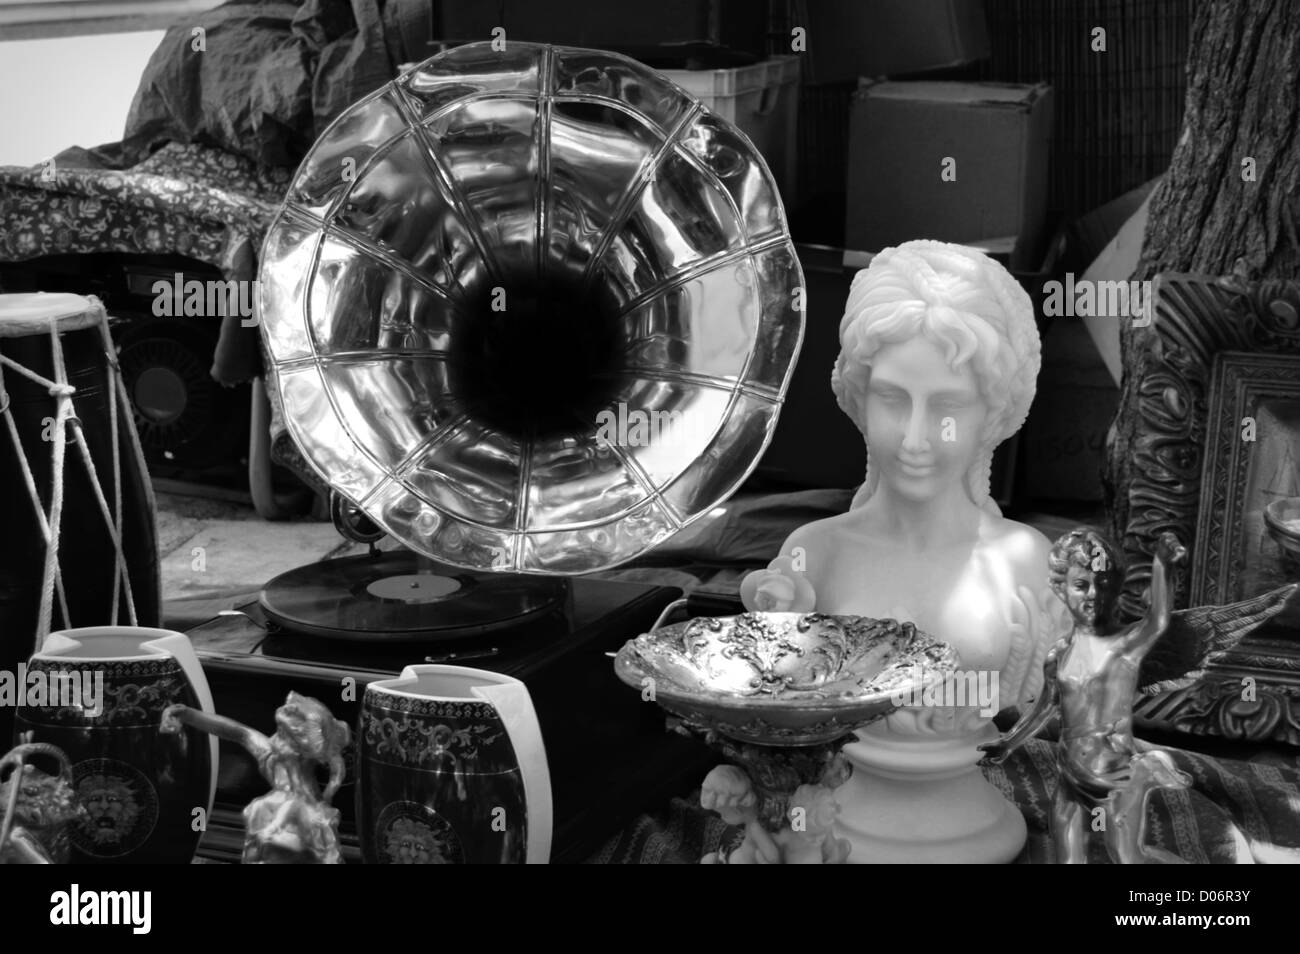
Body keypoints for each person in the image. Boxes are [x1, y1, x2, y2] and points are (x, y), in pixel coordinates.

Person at [979, 529, 1191, 863]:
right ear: (1060, 588)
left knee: (1126, 856)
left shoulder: (1126, 646)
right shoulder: (1059, 655)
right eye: (1082, 585)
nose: (1094, 594)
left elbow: (1159, 619)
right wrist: (1009, 742)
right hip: (1070, 779)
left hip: (1117, 777)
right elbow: (1046, 708)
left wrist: (1162, 565)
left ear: (1116, 590)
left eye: (1104, 585)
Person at [161, 691, 350, 864]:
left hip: (304, 820)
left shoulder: (301, 785)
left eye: (283, 735)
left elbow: (333, 772)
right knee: (262, 814)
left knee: (268, 819)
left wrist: (325, 800)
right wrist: (188, 715)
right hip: (283, 816)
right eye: (279, 732)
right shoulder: (270, 756)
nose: (276, 738)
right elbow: (237, 732)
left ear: (300, 747)